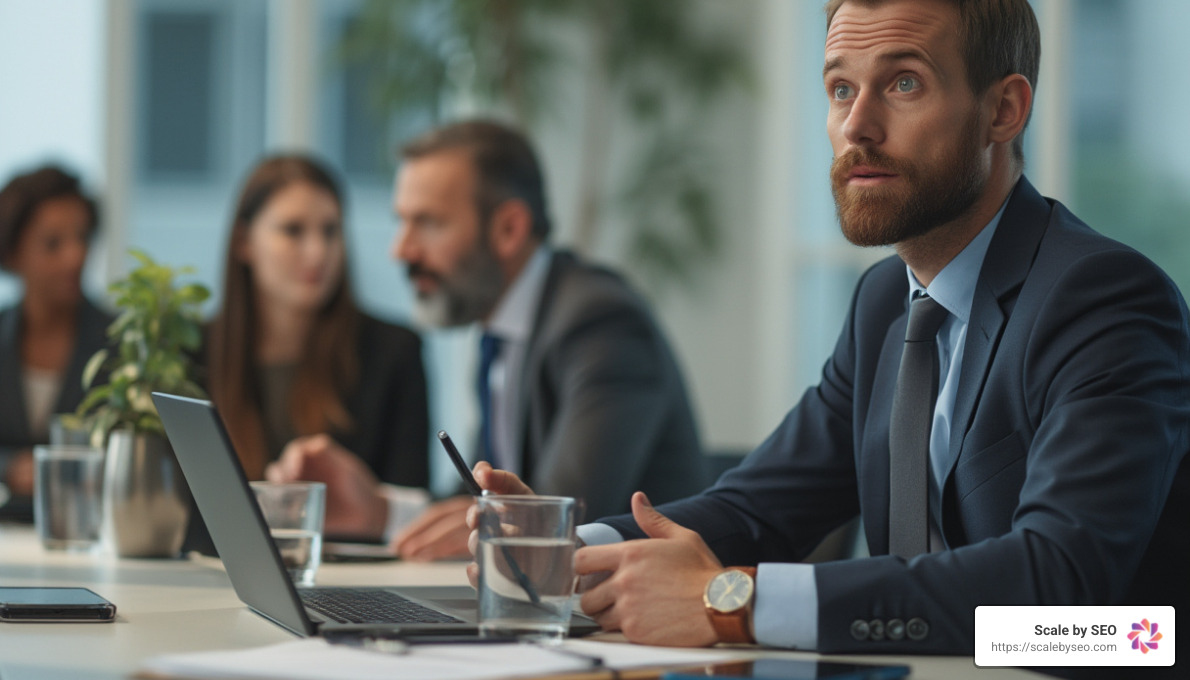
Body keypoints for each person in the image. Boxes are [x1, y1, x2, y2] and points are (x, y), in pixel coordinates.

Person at [463, 0, 1189, 675]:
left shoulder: (1103, 301)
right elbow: (758, 509)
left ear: (1004, 109)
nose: (856, 127)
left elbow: (1066, 598)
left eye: (903, 83)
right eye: (841, 89)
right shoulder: (885, 302)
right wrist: (565, 553)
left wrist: (735, 602)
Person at [269, 121, 707, 559]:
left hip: (619, 615)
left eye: (427, 223)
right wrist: (380, 511)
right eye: (402, 222)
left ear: (509, 229)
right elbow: (484, 502)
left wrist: (484, 523)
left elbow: (554, 517)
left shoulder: (600, 325)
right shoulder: (502, 332)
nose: (401, 250)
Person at [206, 154, 431, 539]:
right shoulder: (193, 354)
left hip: (357, 584)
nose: (317, 252)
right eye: (293, 231)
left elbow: (411, 504)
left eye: (330, 231)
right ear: (244, 242)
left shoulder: (393, 351)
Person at [0, 165, 112, 508]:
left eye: (83, 238)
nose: (76, 256)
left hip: (88, 537)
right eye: (53, 243)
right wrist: (7, 466)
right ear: (12, 254)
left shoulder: (120, 345)